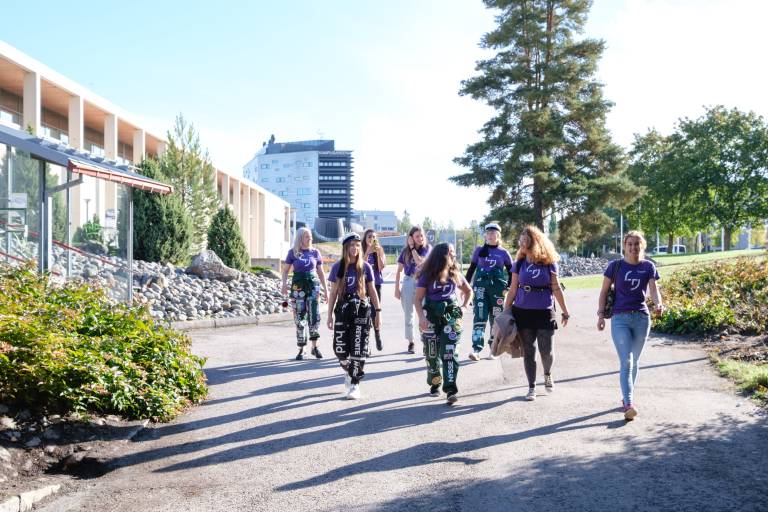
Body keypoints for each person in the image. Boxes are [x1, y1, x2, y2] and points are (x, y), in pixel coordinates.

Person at [597, 230, 663, 421]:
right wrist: (601, 315)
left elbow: (654, 290)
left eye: (637, 244)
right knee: (626, 360)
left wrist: (659, 303)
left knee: (634, 361)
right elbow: (603, 293)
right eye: (630, 244)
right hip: (620, 319)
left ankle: (627, 397)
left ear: (642, 246)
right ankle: (629, 403)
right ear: (624, 246)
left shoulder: (648, 267)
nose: (633, 247)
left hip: (642, 318)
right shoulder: (615, 266)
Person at [503, 225, 570, 402]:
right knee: (529, 351)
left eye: (526, 240)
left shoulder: (549, 263)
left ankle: (547, 373)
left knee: (546, 351)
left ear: (536, 242)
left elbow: (556, 288)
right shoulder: (519, 264)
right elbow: (512, 289)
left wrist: (565, 311)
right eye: (521, 240)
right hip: (522, 312)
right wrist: (505, 310)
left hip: (545, 311)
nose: (523, 243)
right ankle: (531, 387)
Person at [416, 242, 473, 404]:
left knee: (449, 352)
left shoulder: (455, 273)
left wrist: (464, 307)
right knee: (432, 354)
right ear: (441, 256)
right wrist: (421, 318)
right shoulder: (427, 274)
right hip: (431, 315)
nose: (453, 255)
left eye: (454, 252)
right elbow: (418, 299)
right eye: (450, 252)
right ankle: (435, 383)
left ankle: (450, 390)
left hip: (451, 316)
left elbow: (469, 291)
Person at [326, 233, 382, 400]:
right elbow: (334, 293)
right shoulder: (338, 267)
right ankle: (348, 370)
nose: (355, 248)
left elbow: (372, 291)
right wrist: (329, 316)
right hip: (343, 310)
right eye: (351, 245)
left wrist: (378, 312)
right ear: (345, 248)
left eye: (357, 245)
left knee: (358, 347)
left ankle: (354, 383)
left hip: (361, 311)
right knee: (340, 350)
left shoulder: (365, 267)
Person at [465, 222, 513, 361]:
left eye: (493, 233)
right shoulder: (479, 250)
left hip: (497, 290)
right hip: (480, 288)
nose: (490, 235)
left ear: (498, 236)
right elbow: (471, 269)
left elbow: (512, 273)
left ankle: (493, 349)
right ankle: (476, 349)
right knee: (479, 317)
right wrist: (466, 286)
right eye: (488, 233)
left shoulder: (503, 253)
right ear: (485, 235)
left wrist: (509, 288)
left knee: (496, 319)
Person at [281, 227, 328, 360]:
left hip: (313, 287)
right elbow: (285, 271)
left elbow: (320, 272)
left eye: (310, 236)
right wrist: (284, 284)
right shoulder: (293, 253)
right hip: (298, 288)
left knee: (314, 316)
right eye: (307, 236)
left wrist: (326, 290)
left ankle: (315, 347)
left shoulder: (315, 252)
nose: (310, 238)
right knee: (300, 318)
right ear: (300, 238)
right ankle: (302, 348)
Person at [394, 226, 430, 354]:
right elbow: (398, 271)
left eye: (421, 236)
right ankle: (411, 341)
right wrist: (397, 288)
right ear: (411, 238)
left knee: (425, 313)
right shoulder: (405, 252)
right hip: (409, 282)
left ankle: (426, 340)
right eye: (417, 236)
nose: (420, 238)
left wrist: (413, 248)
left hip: (423, 283)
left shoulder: (427, 249)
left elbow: (420, 262)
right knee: (408, 315)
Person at [362, 229, 386, 351]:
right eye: (369, 237)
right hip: (363, 285)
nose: (372, 239)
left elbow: (381, 267)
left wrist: (377, 253)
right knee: (364, 312)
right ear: (365, 239)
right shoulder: (361, 250)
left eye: (374, 237)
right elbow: (360, 265)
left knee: (375, 312)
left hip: (376, 284)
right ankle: (366, 341)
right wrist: (367, 251)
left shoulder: (379, 250)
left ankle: (377, 334)